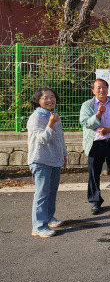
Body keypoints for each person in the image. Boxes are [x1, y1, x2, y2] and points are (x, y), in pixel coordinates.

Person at [27, 87, 67, 237]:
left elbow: (60, 137)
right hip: (41, 160)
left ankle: (49, 218)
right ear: (38, 100)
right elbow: (42, 140)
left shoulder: (54, 114)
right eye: (45, 98)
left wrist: (64, 153)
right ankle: (38, 226)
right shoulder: (36, 117)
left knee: (51, 191)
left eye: (52, 97)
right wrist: (50, 123)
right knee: (42, 193)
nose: (50, 100)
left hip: (54, 159)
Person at [79, 79, 110, 215]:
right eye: (98, 88)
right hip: (95, 144)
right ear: (93, 90)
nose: (101, 90)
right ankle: (95, 201)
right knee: (93, 174)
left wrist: (109, 130)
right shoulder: (87, 105)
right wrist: (98, 114)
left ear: (108, 89)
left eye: (104, 87)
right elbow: (85, 122)